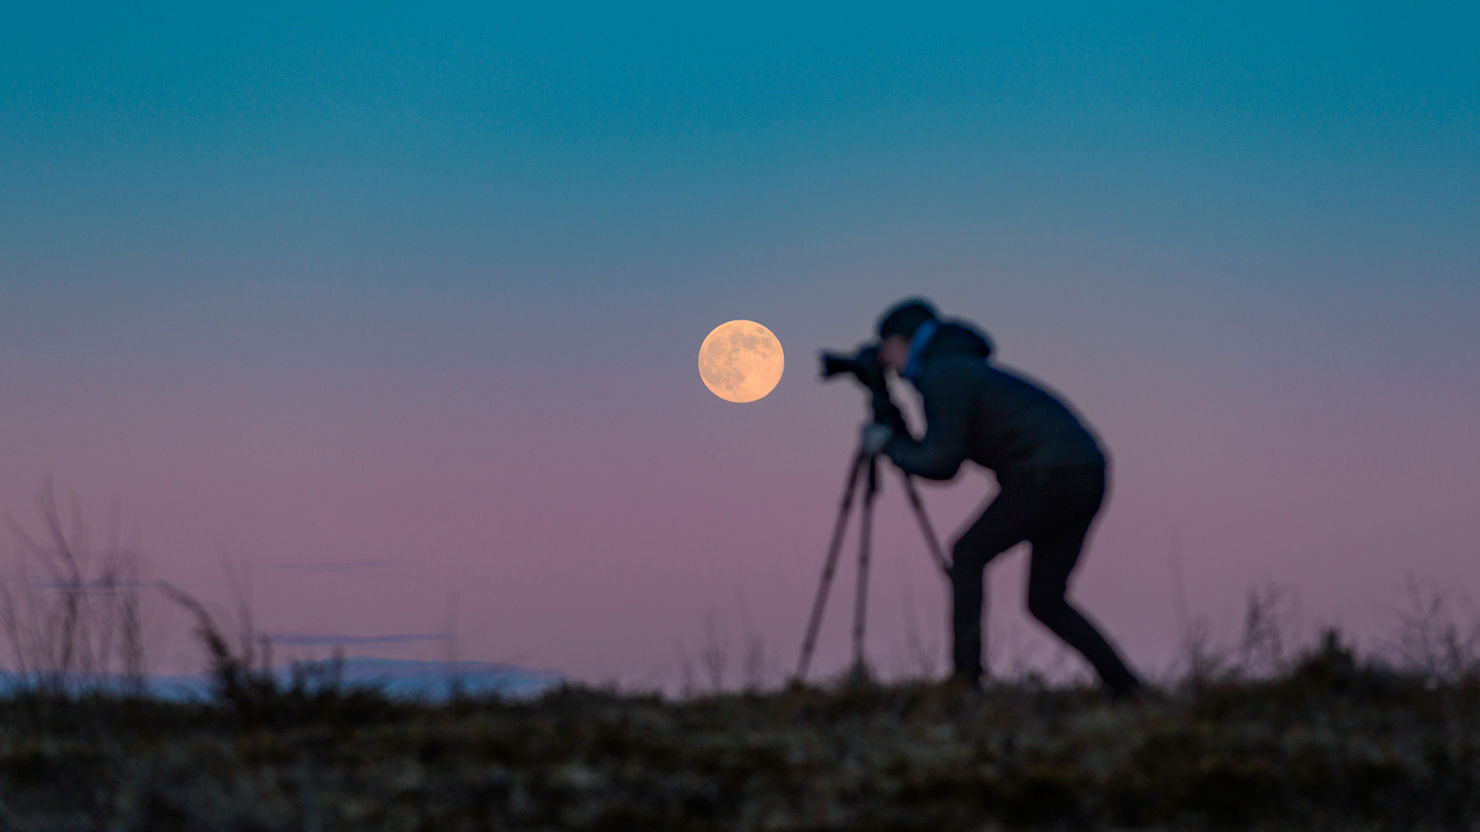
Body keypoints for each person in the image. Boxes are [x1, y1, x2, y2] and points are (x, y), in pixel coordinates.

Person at [861, 297, 1146, 699]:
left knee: (968, 554)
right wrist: (893, 428)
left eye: (885, 347)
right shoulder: (957, 369)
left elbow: (942, 463)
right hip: (1082, 471)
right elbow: (935, 452)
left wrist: (888, 445)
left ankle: (966, 682)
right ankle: (1130, 690)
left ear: (905, 342)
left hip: (1049, 473)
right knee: (1045, 600)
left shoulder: (945, 375)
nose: (883, 359)